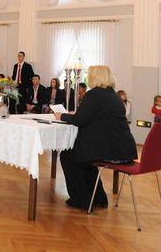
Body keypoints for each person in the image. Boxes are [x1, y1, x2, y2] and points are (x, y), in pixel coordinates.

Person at [55, 65, 137, 210]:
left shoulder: (94, 95)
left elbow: (80, 120)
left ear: (95, 77)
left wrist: (61, 115)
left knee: (68, 156)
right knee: (86, 160)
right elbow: (95, 117)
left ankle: (82, 200)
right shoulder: (113, 95)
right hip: (123, 150)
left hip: (110, 151)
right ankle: (99, 198)